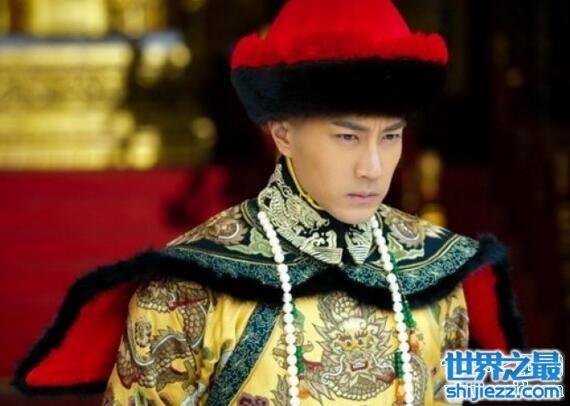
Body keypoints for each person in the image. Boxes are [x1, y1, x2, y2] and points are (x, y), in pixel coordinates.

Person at [14, 1, 525, 405]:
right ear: (282, 133)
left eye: (390, 136)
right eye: (347, 137)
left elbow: (486, 386)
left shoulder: (440, 271)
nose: (373, 166)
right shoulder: (187, 288)